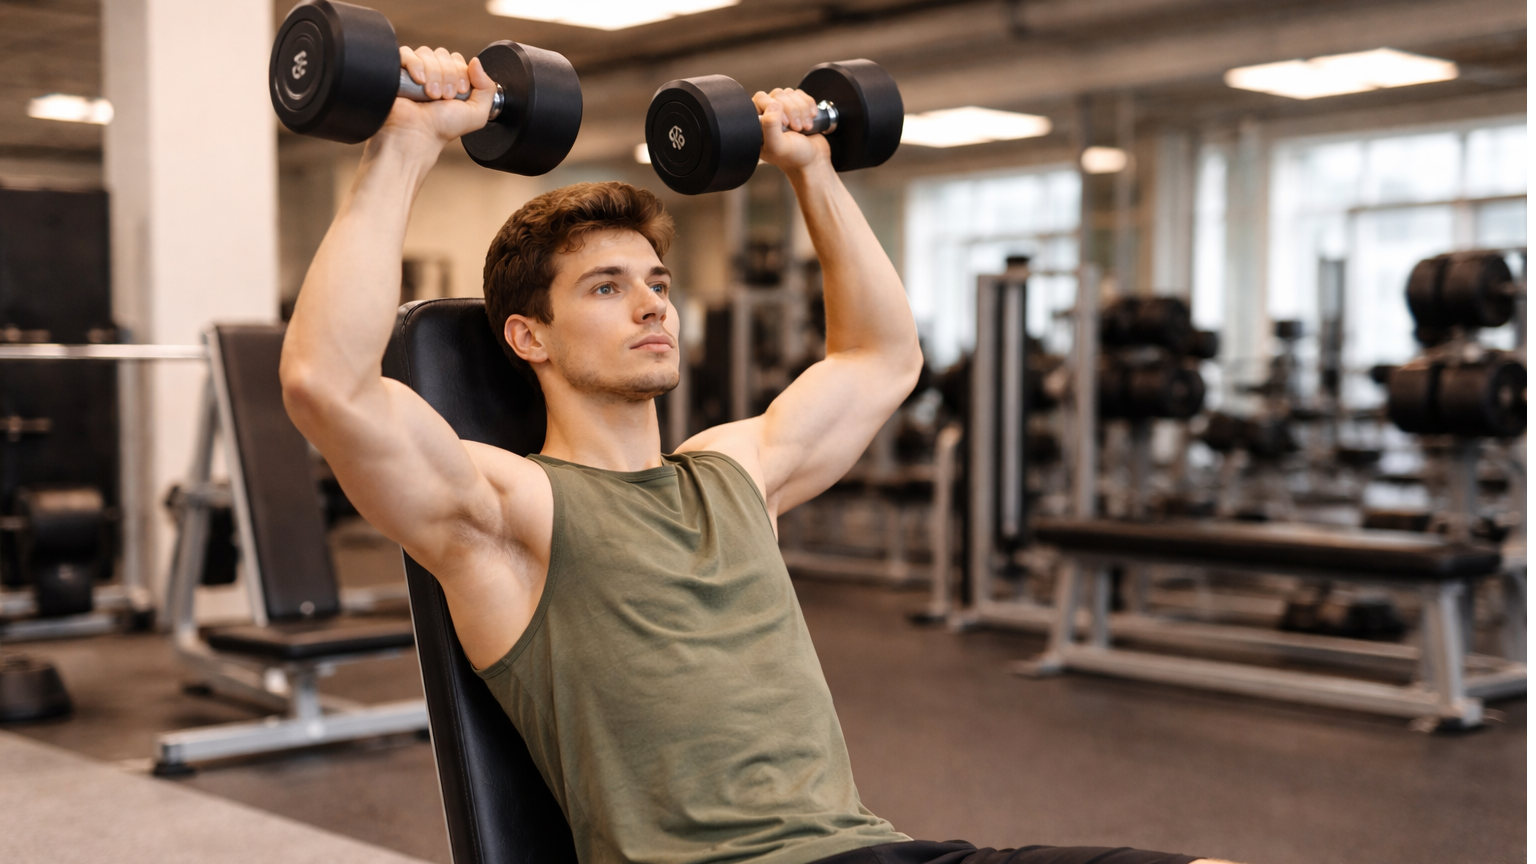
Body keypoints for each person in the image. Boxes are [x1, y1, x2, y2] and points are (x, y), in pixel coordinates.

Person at [281, 45, 1239, 864]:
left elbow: (879, 356)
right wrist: (405, 143)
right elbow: (331, 385)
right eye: (606, 289)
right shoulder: (509, 513)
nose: (655, 302)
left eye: (657, 281)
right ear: (528, 337)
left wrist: (809, 167)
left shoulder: (734, 473)